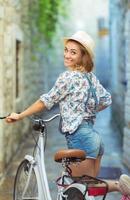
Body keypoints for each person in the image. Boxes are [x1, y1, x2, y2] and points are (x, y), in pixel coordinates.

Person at [5, 31, 130, 197]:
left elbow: (46, 101)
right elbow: (106, 99)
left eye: (73, 52)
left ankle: (119, 185)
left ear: (83, 56)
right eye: (66, 50)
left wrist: (20, 115)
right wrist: (86, 112)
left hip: (81, 137)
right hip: (94, 139)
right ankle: (119, 185)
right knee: (88, 188)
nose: (67, 55)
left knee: (81, 188)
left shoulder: (67, 77)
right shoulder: (91, 78)